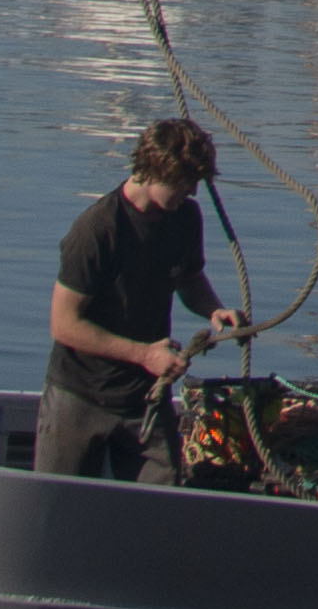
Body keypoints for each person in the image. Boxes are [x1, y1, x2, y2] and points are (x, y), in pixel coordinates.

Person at [39, 114, 249, 481]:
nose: (193, 192)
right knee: (59, 509)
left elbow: (188, 277)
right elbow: (64, 325)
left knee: (159, 508)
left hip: (146, 400)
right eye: (186, 182)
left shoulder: (185, 217)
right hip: (79, 396)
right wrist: (144, 355)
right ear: (158, 171)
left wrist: (213, 309)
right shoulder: (96, 230)